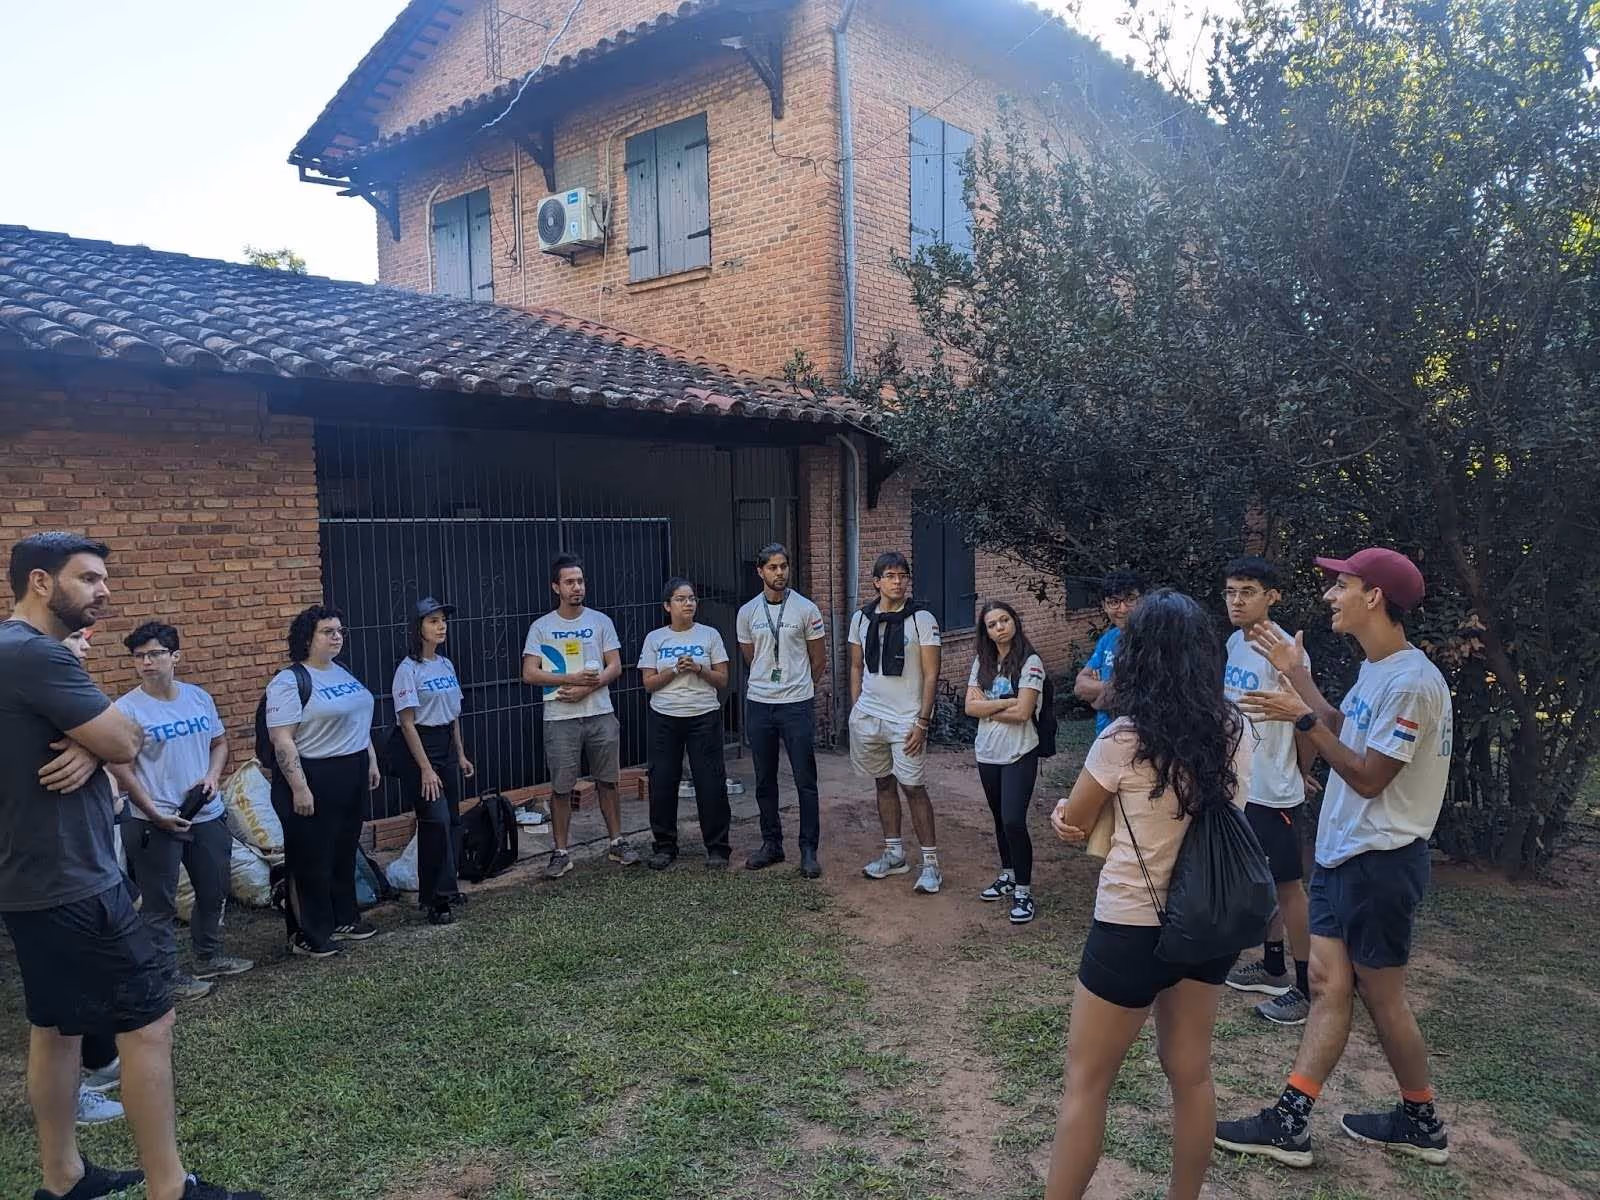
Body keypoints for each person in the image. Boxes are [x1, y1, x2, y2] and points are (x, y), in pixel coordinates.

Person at [2, 531, 261, 1200]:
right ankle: (170, 1188)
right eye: (88, 578)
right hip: (74, 876)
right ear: (39, 581)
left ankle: (63, 1180)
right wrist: (103, 745)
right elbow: (125, 735)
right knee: (148, 1022)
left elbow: (107, 741)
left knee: (57, 1027)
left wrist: (94, 749)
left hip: (28, 877)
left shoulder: (8, 653)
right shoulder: (38, 656)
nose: (103, 591)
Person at [1216, 548, 1453, 1168]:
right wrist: (1297, 677)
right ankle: (1291, 1121)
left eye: (1341, 585)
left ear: (1373, 595)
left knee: (1382, 997)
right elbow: (1339, 725)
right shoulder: (1378, 670)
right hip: (1344, 854)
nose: (1329, 596)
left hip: (1382, 860)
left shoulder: (1411, 683)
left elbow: (1370, 776)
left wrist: (1300, 719)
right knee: (1326, 985)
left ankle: (1421, 1119)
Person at [1044, 589, 1254, 1200]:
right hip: (1209, 920)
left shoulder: (1124, 738)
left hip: (1132, 924)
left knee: (1087, 1083)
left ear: (1136, 656)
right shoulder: (1235, 728)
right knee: (1191, 1075)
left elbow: (1077, 820)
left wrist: (1064, 813)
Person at [109, 622, 253, 1008]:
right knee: (160, 904)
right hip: (153, 820)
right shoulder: (126, 710)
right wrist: (153, 812)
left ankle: (209, 956)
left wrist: (211, 776)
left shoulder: (198, 698)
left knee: (213, 889)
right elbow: (120, 767)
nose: (146, 662)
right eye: (139, 656)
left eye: (155, 653)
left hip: (205, 814)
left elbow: (219, 743)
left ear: (175, 656)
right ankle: (165, 976)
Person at [1219, 557, 1317, 1026]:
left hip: (1275, 788)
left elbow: (1307, 717)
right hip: (1240, 783)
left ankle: (1306, 987)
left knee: (1288, 886)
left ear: (1272, 596)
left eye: (1248, 592)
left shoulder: (1286, 650)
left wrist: (1300, 769)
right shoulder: (1235, 642)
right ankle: (1272, 962)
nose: (1236, 601)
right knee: (1259, 880)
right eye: (1231, 592)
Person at [264, 604, 382, 959]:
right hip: (313, 776)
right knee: (310, 859)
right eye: (327, 631)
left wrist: (371, 760)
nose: (337, 637)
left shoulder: (342, 672)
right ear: (307, 637)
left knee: (344, 851)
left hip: (352, 771)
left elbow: (358, 720)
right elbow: (282, 739)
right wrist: (300, 787)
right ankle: (308, 933)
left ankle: (344, 918)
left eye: (340, 631)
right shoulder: (289, 681)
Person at [520, 554, 640, 878]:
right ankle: (561, 852)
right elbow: (529, 673)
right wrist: (569, 681)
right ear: (556, 587)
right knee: (561, 787)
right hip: (559, 717)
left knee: (609, 781)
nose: (577, 587)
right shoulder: (541, 627)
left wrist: (588, 688)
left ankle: (617, 841)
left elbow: (615, 665)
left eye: (580, 581)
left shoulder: (601, 622)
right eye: (570, 582)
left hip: (600, 712)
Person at [58, 626, 128, 1130]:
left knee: (93, 966)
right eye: (78, 638)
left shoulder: (71, 694)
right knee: (66, 980)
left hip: (89, 851)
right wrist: (102, 746)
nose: (86, 646)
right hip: (56, 867)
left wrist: (95, 750)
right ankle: (74, 1089)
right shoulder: (36, 684)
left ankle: (100, 1057)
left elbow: (124, 737)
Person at [850, 551, 943, 894]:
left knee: (913, 787)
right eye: (890, 575)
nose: (898, 581)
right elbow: (857, 665)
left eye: (903, 575)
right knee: (883, 783)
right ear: (876, 581)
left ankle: (931, 864)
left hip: (907, 719)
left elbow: (932, 674)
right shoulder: (861, 618)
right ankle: (894, 854)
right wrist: (857, 707)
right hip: (871, 716)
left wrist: (923, 721)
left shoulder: (921, 619)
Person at [736, 543, 828, 878]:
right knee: (764, 779)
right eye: (772, 567)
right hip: (760, 704)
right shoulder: (747, 613)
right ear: (759, 571)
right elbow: (751, 657)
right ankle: (771, 844)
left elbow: (819, 660)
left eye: (784, 566)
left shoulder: (806, 609)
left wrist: (799, 687)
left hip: (796, 705)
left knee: (805, 779)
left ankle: (808, 850)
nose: (780, 573)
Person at [639, 578, 733, 870]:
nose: (688, 604)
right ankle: (665, 846)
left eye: (692, 598)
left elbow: (722, 679)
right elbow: (649, 684)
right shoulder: (655, 639)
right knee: (663, 782)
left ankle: (717, 848)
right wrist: (673, 671)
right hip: (665, 718)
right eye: (680, 599)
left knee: (711, 782)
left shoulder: (710, 635)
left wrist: (699, 668)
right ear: (667, 606)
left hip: (703, 717)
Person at [391, 597, 474, 926]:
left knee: (453, 819)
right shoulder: (407, 670)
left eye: (443, 620)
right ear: (418, 628)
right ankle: (434, 900)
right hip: (419, 747)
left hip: (445, 746)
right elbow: (407, 722)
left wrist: (461, 753)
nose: (441, 626)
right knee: (434, 821)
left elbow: (453, 715)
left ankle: (448, 887)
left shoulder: (446, 664)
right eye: (433, 621)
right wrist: (425, 768)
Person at [966, 600, 1047, 924]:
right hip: (987, 752)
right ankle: (1008, 874)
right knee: (999, 818)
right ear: (985, 631)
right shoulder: (981, 662)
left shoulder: (1030, 662)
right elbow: (970, 708)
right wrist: (1007, 701)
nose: (1000, 627)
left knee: (1014, 819)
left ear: (1014, 621)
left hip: (1019, 752)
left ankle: (1024, 892)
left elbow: (1024, 713)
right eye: (992, 624)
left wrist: (990, 704)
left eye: (1004, 620)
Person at [1074, 571, 1144, 736]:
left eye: (1130, 599)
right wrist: (1111, 692)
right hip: (1104, 736)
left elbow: (1143, 697)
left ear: (1143, 601)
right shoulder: (1108, 639)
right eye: (1114, 602)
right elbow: (1079, 687)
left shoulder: (1152, 640)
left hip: (1138, 738)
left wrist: (1097, 698)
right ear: (1104, 606)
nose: (1123, 608)